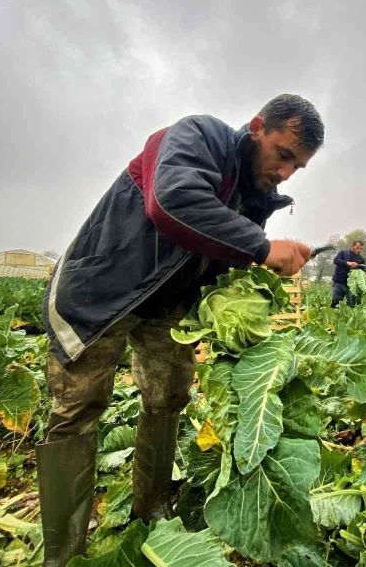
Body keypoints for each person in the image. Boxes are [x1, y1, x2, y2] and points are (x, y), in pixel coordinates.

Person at [37, 94, 324, 565]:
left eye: (298, 167)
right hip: (103, 289)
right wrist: (262, 247)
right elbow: (171, 203)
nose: (286, 172)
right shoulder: (198, 136)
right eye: (283, 155)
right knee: (78, 408)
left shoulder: (256, 196)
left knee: (169, 397)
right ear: (257, 126)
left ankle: (151, 513)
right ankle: (63, 555)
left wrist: (249, 289)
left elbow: (221, 255)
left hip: (167, 304)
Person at [330, 240, 366, 308]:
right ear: (352, 246)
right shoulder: (343, 253)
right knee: (335, 303)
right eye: (357, 248)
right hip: (339, 283)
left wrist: (356, 271)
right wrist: (348, 263)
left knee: (352, 305)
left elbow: (363, 272)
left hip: (352, 286)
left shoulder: (361, 259)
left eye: (361, 249)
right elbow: (336, 260)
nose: (359, 250)